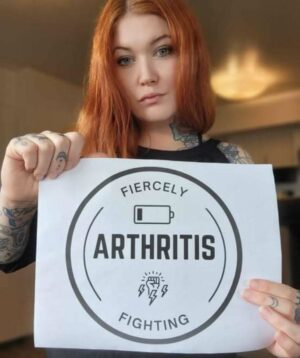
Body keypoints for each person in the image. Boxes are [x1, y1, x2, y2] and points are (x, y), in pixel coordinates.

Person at [0, 0, 299, 357]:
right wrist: (15, 200)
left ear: (191, 56)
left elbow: (251, 292)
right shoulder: (79, 162)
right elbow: (7, 256)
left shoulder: (233, 165)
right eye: (124, 59)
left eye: (163, 50)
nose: (146, 76)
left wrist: (286, 322)